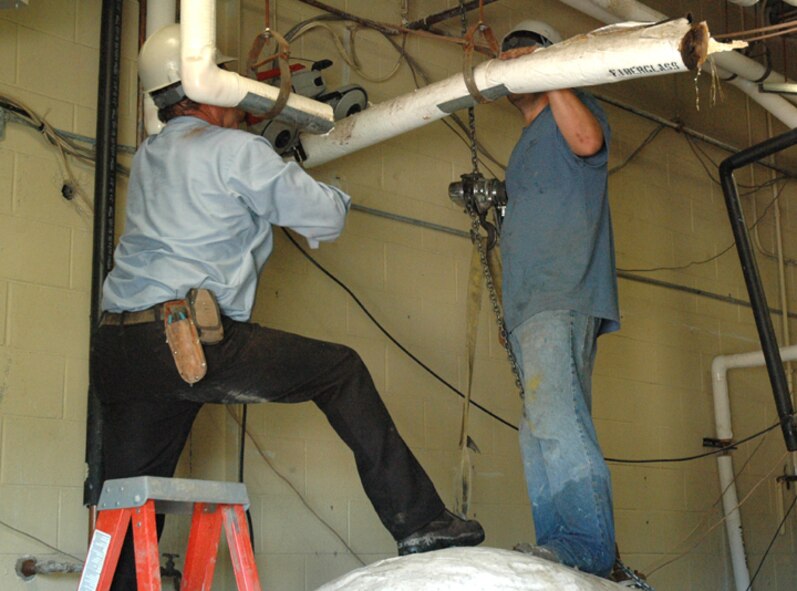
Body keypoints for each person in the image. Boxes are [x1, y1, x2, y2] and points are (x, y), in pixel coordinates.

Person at [91, 23, 484, 590]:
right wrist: (285, 164)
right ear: (209, 86)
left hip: (120, 350)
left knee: (129, 507)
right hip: (187, 343)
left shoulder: (152, 153)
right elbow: (325, 216)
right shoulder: (235, 149)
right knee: (341, 370)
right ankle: (421, 520)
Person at [498, 21, 620, 577]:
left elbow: (589, 143)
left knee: (558, 418)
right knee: (538, 427)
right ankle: (560, 545)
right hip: (531, 302)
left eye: (526, 57)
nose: (514, 65)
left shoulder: (572, 114)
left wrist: (555, 74)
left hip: (561, 291)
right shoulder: (525, 144)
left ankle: (587, 545)